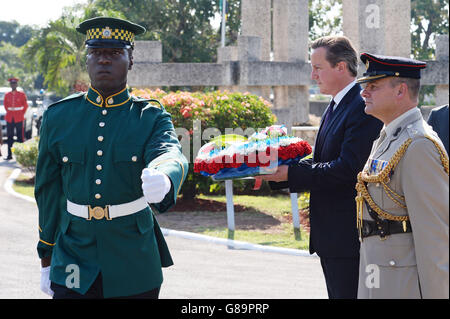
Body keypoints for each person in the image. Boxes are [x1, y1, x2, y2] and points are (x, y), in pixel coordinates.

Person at [35, 17, 189, 299]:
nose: (103, 60)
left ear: (131, 60)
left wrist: (165, 176)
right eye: (96, 52)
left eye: (115, 53)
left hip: (132, 254)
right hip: (73, 252)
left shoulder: (149, 116)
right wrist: (46, 257)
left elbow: (170, 152)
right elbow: (48, 190)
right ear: (87, 60)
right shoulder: (59, 117)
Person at [261, 36, 383, 299]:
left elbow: (348, 169)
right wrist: (278, 170)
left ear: (340, 67)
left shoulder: (361, 106)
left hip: (349, 237)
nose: (312, 74)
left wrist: (291, 173)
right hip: (332, 237)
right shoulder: (337, 103)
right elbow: (320, 159)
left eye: (318, 67)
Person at [356, 53, 449, 298]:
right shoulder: (389, 137)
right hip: (377, 272)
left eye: (373, 86)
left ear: (401, 91)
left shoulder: (418, 144)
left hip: (401, 283)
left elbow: (434, 238)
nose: (364, 92)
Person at [3, 77, 28, 160]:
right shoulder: (7, 95)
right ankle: (9, 155)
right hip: (10, 117)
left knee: (20, 137)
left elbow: (25, 105)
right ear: (10, 85)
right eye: (11, 83)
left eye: (14, 83)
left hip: (19, 117)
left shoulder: (21, 94)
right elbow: (6, 106)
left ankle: (21, 156)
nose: (13, 85)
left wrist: (21, 113)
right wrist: (11, 111)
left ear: (16, 84)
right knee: (9, 137)